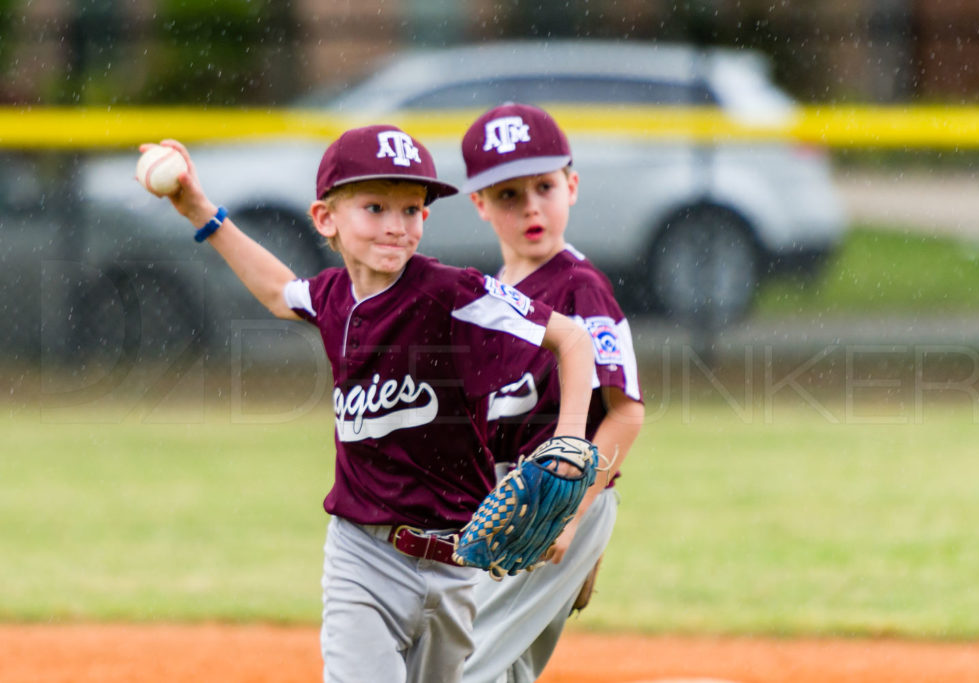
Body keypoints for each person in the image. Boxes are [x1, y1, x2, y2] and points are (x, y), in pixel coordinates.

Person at [138, 124, 596, 683]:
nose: (395, 225)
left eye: (410, 209)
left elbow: (572, 339)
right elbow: (279, 291)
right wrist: (199, 211)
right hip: (364, 556)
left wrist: (569, 448)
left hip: (457, 563)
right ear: (326, 218)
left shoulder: (456, 293)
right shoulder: (331, 298)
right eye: (374, 206)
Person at [459, 103, 646, 683]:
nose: (532, 206)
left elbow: (625, 415)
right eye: (509, 194)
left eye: (544, 186)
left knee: (456, 664)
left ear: (572, 185)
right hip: (498, 501)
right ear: (480, 204)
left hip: (550, 502)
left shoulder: (579, 286)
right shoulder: (488, 299)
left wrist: (573, 519)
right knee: (501, 668)